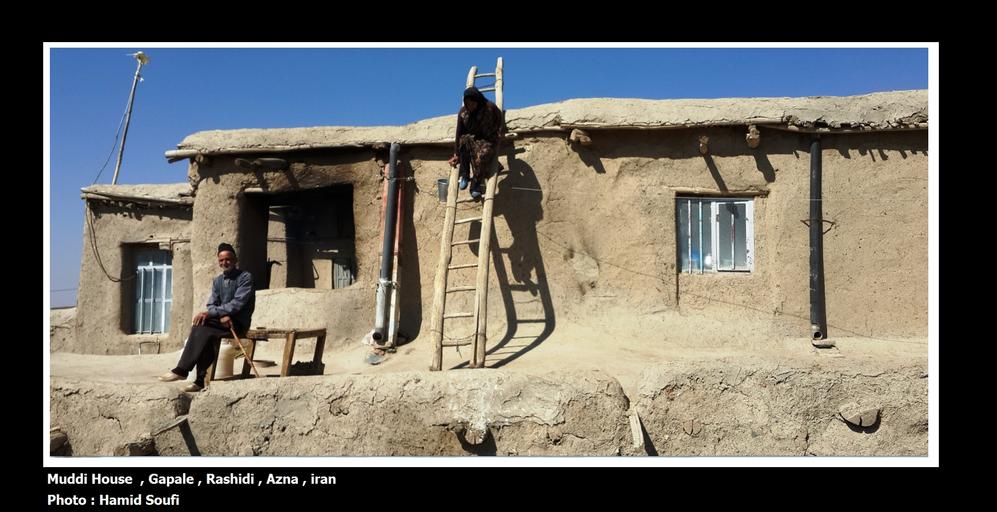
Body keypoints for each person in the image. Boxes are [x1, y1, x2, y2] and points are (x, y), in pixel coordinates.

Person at [158, 243, 255, 392]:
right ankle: (199, 381)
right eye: (221, 260)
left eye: (228, 259)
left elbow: (237, 304)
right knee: (202, 326)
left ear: (235, 260)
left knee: (203, 326)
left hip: (238, 323)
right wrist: (221, 314)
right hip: (221, 322)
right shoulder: (217, 281)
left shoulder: (245, 277)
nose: (225, 263)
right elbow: (211, 304)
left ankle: (182, 370)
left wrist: (218, 314)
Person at [447, 86, 504, 199]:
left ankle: (475, 186)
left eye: (473, 103)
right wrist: (456, 154)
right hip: (474, 138)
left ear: (478, 100)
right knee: (463, 140)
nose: (470, 106)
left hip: (488, 139)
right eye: (468, 104)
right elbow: (459, 132)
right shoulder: (463, 113)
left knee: (482, 156)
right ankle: (465, 175)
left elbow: (499, 119)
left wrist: (498, 132)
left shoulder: (489, 107)